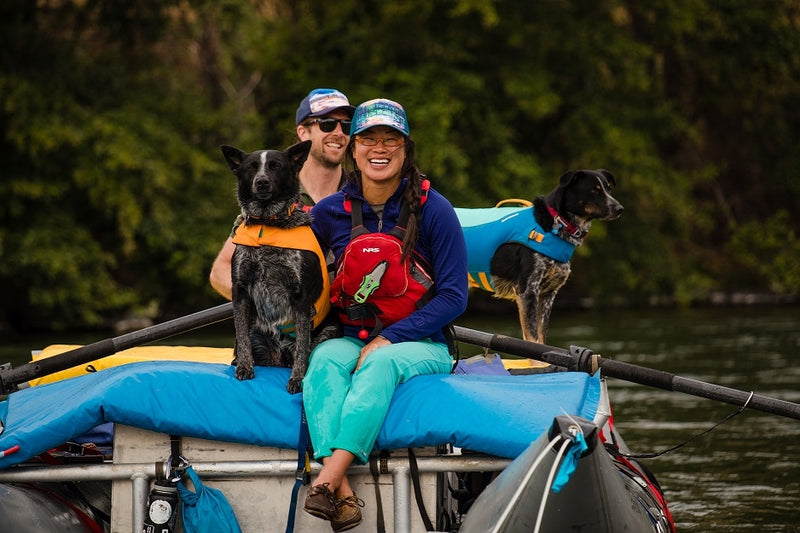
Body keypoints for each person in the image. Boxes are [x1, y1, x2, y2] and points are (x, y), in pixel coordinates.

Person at [301, 98, 468, 531]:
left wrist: (391, 337)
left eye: (391, 139)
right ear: (353, 149)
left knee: (379, 361)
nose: (380, 148)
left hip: (424, 345)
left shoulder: (436, 210)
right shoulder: (327, 213)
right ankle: (345, 496)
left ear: (405, 150)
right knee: (321, 363)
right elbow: (299, 271)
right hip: (352, 335)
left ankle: (326, 481)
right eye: (369, 139)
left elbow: (453, 297)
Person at [209, 88, 355, 299]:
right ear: (303, 132)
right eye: (327, 124)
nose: (339, 133)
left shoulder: (360, 191)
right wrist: (269, 305)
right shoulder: (274, 192)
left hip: (347, 321)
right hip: (291, 323)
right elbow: (220, 272)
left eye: (347, 126)